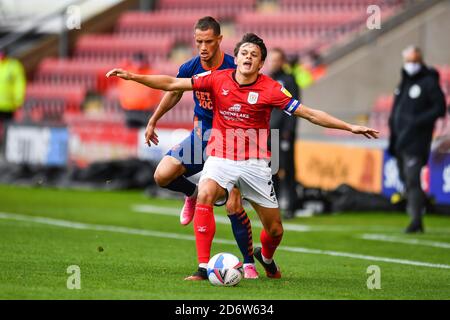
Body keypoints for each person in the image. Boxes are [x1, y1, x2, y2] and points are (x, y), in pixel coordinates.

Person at [106, 33, 379, 280]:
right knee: (205, 193)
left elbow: (309, 113)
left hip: (256, 164)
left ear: (261, 64)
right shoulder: (216, 79)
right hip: (221, 155)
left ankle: (265, 258)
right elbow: (172, 83)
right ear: (235, 59)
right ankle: (203, 268)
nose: (248, 57)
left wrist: (349, 126)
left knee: (275, 231)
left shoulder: (271, 88)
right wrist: (133, 77)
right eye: (244, 53)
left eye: (254, 55)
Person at [143, 17, 258, 279]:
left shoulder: (233, 66)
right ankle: (192, 194)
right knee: (162, 175)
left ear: (219, 40)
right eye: (198, 42)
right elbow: (173, 92)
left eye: (208, 41)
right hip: (200, 136)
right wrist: (153, 120)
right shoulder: (190, 67)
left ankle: (249, 262)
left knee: (233, 204)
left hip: (230, 140)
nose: (203, 47)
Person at [388, 45, 447, 233]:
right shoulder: (404, 82)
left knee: (413, 179)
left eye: (414, 61)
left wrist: (417, 121)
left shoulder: (428, 83)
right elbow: (396, 112)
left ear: (420, 61)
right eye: (408, 61)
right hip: (400, 140)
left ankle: (416, 220)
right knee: (406, 180)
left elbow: (440, 108)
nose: (411, 65)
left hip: (416, 141)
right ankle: (419, 208)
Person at [267, 48, 300, 219]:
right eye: (271, 60)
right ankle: (274, 205)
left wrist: (289, 130)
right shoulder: (266, 79)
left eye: (276, 59)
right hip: (269, 133)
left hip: (284, 133)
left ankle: (292, 205)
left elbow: (294, 107)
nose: (273, 63)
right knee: (272, 170)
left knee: (287, 170)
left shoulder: (289, 80)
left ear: (282, 61)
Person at [118, 52, 161, 128]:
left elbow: (157, 93)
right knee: (131, 135)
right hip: (129, 110)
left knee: (145, 135)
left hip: (146, 111)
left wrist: (151, 105)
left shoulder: (151, 73)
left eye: (140, 61)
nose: (138, 64)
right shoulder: (127, 72)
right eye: (136, 61)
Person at [0, 49, 26, 152]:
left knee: (8, 129)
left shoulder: (13, 66)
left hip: (8, 105)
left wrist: (19, 100)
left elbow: (19, 84)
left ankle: (6, 149)